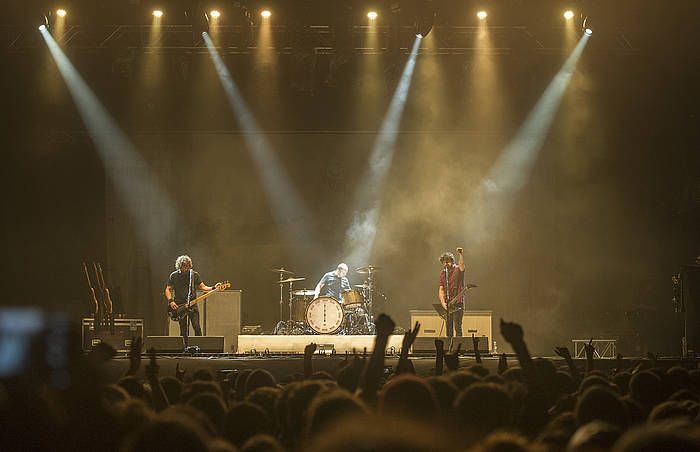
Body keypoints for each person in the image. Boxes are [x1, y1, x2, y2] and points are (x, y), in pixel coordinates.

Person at [165, 255, 220, 343]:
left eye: (187, 266)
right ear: (179, 265)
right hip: (179, 305)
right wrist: (171, 301)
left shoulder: (194, 275)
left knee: (196, 326)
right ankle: (184, 349)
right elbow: (167, 289)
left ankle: (200, 347)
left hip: (192, 305)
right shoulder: (174, 275)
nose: (185, 268)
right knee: (183, 328)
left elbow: (203, 287)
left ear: (189, 265)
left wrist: (214, 287)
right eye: (183, 266)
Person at [438, 247, 465, 337]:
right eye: (444, 262)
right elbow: (441, 289)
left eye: (448, 261)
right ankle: (449, 349)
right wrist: (443, 302)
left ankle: (459, 348)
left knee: (457, 327)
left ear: (452, 261)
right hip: (448, 304)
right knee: (448, 328)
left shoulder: (457, 269)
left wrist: (461, 254)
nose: (446, 264)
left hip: (458, 303)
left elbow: (462, 266)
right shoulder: (442, 274)